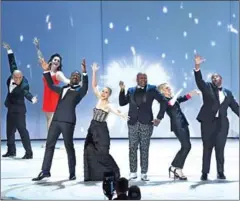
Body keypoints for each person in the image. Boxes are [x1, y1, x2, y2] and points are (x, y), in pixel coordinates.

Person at [32, 58, 88, 181]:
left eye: (77, 76)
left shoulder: (80, 91)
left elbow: (86, 87)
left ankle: (72, 173)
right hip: (56, 120)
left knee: (69, 146)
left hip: (68, 122)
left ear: (79, 79)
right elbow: (51, 85)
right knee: (49, 145)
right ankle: (45, 171)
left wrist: (84, 72)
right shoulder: (63, 89)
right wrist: (46, 71)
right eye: (73, 75)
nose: (74, 77)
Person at [194, 55, 239, 180]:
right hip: (208, 123)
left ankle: (220, 171)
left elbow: (235, 107)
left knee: (220, 148)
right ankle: (204, 172)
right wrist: (197, 66)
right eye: (213, 77)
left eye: (217, 77)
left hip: (222, 125)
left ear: (221, 80)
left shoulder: (227, 93)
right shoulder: (207, 87)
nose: (215, 79)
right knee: (207, 148)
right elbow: (199, 81)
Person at [84, 63, 128, 181]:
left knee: (103, 153)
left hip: (101, 130)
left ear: (109, 95)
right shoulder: (99, 98)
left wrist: (121, 114)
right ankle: (95, 175)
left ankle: (115, 172)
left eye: (106, 92)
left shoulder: (108, 105)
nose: (103, 93)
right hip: (92, 128)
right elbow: (94, 86)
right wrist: (94, 71)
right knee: (90, 150)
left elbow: (114, 111)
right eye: (103, 91)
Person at [119, 73, 166, 181]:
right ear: (136, 79)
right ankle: (133, 171)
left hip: (146, 122)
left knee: (144, 148)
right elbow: (122, 103)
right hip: (133, 123)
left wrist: (159, 118)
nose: (143, 79)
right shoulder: (130, 90)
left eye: (145, 78)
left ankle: (144, 172)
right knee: (132, 148)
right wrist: (122, 90)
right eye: (141, 78)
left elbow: (163, 101)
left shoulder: (152, 89)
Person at [2, 42, 37, 159]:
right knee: (9, 132)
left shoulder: (23, 85)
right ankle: (11, 151)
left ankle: (29, 153)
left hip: (19, 111)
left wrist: (32, 99)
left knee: (22, 131)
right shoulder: (13, 74)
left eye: (20, 78)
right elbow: (12, 63)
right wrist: (9, 50)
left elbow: (26, 92)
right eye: (16, 77)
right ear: (13, 76)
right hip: (10, 109)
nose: (18, 79)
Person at [158, 84, 200, 180]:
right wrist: (157, 119)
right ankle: (178, 169)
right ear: (162, 91)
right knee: (187, 146)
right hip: (177, 126)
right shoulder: (164, 101)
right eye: (166, 88)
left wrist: (192, 93)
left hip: (183, 123)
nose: (169, 88)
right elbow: (163, 109)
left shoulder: (173, 99)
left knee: (185, 146)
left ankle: (174, 167)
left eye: (169, 87)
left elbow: (183, 98)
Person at [33, 37, 70, 148]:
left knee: (52, 122)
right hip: (46, 97)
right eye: (55, 59)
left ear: (59, 64)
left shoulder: (58, 74)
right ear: (52, 60)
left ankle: (50, 143)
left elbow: (67, 80)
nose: (56, 61)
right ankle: (50, 141)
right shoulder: (46, 70)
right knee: (48, 121)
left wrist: (75, 83)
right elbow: (40, 57)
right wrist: (37, 47)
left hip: (54, 98)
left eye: (58, 61)